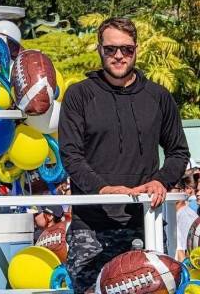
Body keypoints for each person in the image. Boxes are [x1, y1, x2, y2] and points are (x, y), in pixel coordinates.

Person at [59, 17, 190, 293]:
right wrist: (103, 189)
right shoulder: (79, 95)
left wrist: (161, 181)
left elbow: (178, 152)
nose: (119, 55)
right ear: (99, 49)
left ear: (136, 50)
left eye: (126, 49)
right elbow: (70, 155)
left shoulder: (159, 96)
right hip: (90, 227)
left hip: (145, 222)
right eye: (111, 49)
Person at [173, 174, 198, 261]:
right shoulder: (171, 213)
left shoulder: (187, 216)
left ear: (182, 191)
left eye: (170, 188)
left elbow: (187, 249)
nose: (166, 191)